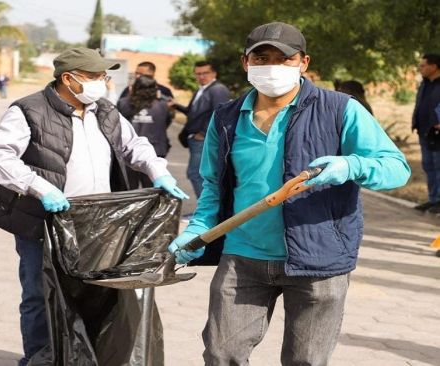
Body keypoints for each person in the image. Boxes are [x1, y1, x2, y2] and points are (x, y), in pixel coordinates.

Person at [168, 22, 410, 365]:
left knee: (306, 361)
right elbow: (212, 186)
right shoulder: (226, 118)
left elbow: (397, 168)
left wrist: (352, 165)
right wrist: (196, 231)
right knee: (222, 355)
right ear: (245, 63)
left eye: (284, 59)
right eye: (262, 57)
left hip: (318, 259)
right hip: (243, 257)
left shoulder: (340, 109)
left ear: (304, 63)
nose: (272, 66)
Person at [0, 47, 189, 366]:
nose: (103, 83)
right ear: (69, 78)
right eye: (95, 77)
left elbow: (133, 145)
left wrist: (157, 171)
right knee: (40, 294)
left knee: (97, 293)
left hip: (99, 224)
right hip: (45, 222)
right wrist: (41, 188)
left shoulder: (105, 110)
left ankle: (87, 356)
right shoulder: (28, 110)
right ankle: (40, 357)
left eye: (104, 76)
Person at [173, 60, 230, 199]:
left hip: (204, 140)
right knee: (198, 174)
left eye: (205, 73)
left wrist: (203, 133)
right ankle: (207, 211)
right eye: (198, 74)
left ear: (214, 73)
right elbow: (192, 112)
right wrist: (174, 105)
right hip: (194, 139)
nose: (201, 76)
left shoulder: (218, 89)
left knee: (196, 174)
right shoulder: (201, 90)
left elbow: (220, 113)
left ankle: (205, 212)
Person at [117, 75, 172, 188]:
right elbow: (166, 123)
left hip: (128, 152)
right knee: (152, 189)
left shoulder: (123, 103)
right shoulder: (162, 105)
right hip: (155, 151)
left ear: (134, 87)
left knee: (130, 190)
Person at [412, 53, 440, 213]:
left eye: (423, 65)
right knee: (429, 166)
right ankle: (434, 199)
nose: (420, 69)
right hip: (424, 132)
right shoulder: (425, 84)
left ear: (434, 66)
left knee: (438, 166)